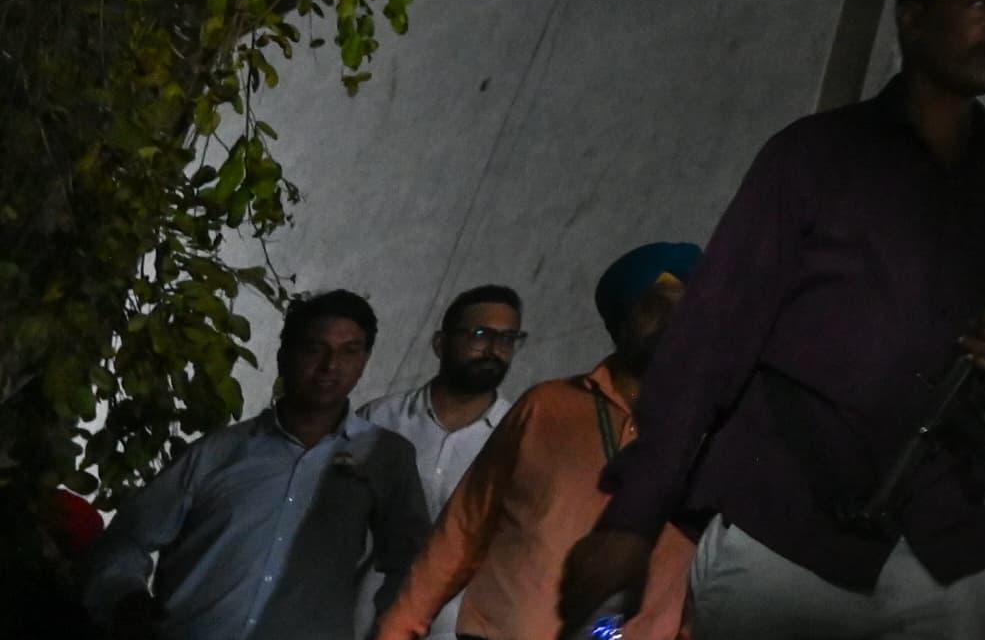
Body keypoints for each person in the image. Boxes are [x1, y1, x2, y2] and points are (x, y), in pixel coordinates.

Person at [555, 0, 985, 640]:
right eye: (978, 1)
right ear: (913, 19)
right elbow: (707, 342)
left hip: (936, 552)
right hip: (783, 536)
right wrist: (631, 520)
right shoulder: (815, 156)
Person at [364, 247, 701, 640]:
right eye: (656, 308)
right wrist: (397, 631)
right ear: (620, 323)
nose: (675, 323)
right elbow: (461, 529)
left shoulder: (711, 432)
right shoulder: (547, 408)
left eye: (689, 309)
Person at [84, 289, 429, 640]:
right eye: (314, 349)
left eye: (349, 351)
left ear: (365, 360)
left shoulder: (383, 456)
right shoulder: (218, 453)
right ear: (283, 357)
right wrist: (127, 602)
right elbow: (125, 540)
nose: (330, 366)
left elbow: (414, 566)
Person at [358, 288, 526, 640]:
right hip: (369, 614)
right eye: (480, 334)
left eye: (508, 339)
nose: (494, 349)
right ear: (440, 344)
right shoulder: (381, 420)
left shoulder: (521, 436)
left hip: (462, 625)